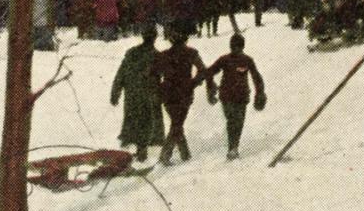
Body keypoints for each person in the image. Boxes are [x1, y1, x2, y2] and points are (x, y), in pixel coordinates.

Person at [202, 33, 266, 160]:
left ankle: (234, 147)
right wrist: (210, 87)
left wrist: (260, 92)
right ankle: (232, 148)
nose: (235, 49)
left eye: (237, 46)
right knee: (232, 120)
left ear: (242, 47)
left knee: (239, 122)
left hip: (242, 97)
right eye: (233, 46)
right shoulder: (224, 59)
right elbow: (209, 72)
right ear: (230, 46)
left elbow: (256, 77)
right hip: (227, 97)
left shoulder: (247, 60)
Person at [152, 25, 207, 166]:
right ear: (185, 39)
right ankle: (166, 156)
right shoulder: (192, 53)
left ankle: (185, 154)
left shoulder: (163, 55)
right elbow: (202, 71)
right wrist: (193, 83)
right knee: (177, 124)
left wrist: (159, 89)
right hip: (184, 93)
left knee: (177, 123)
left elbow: (153, 75)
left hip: (168, 94)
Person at [110, 26, 165, 162]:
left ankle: (131, 145)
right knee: (149, 121)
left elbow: (120, 75)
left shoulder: (132, 53)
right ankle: (144, 148)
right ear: (155, 38)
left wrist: (115, 93)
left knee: (133, 119)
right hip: (150, 95)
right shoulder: (157, 56)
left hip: (133, 95)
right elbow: (166, 76)